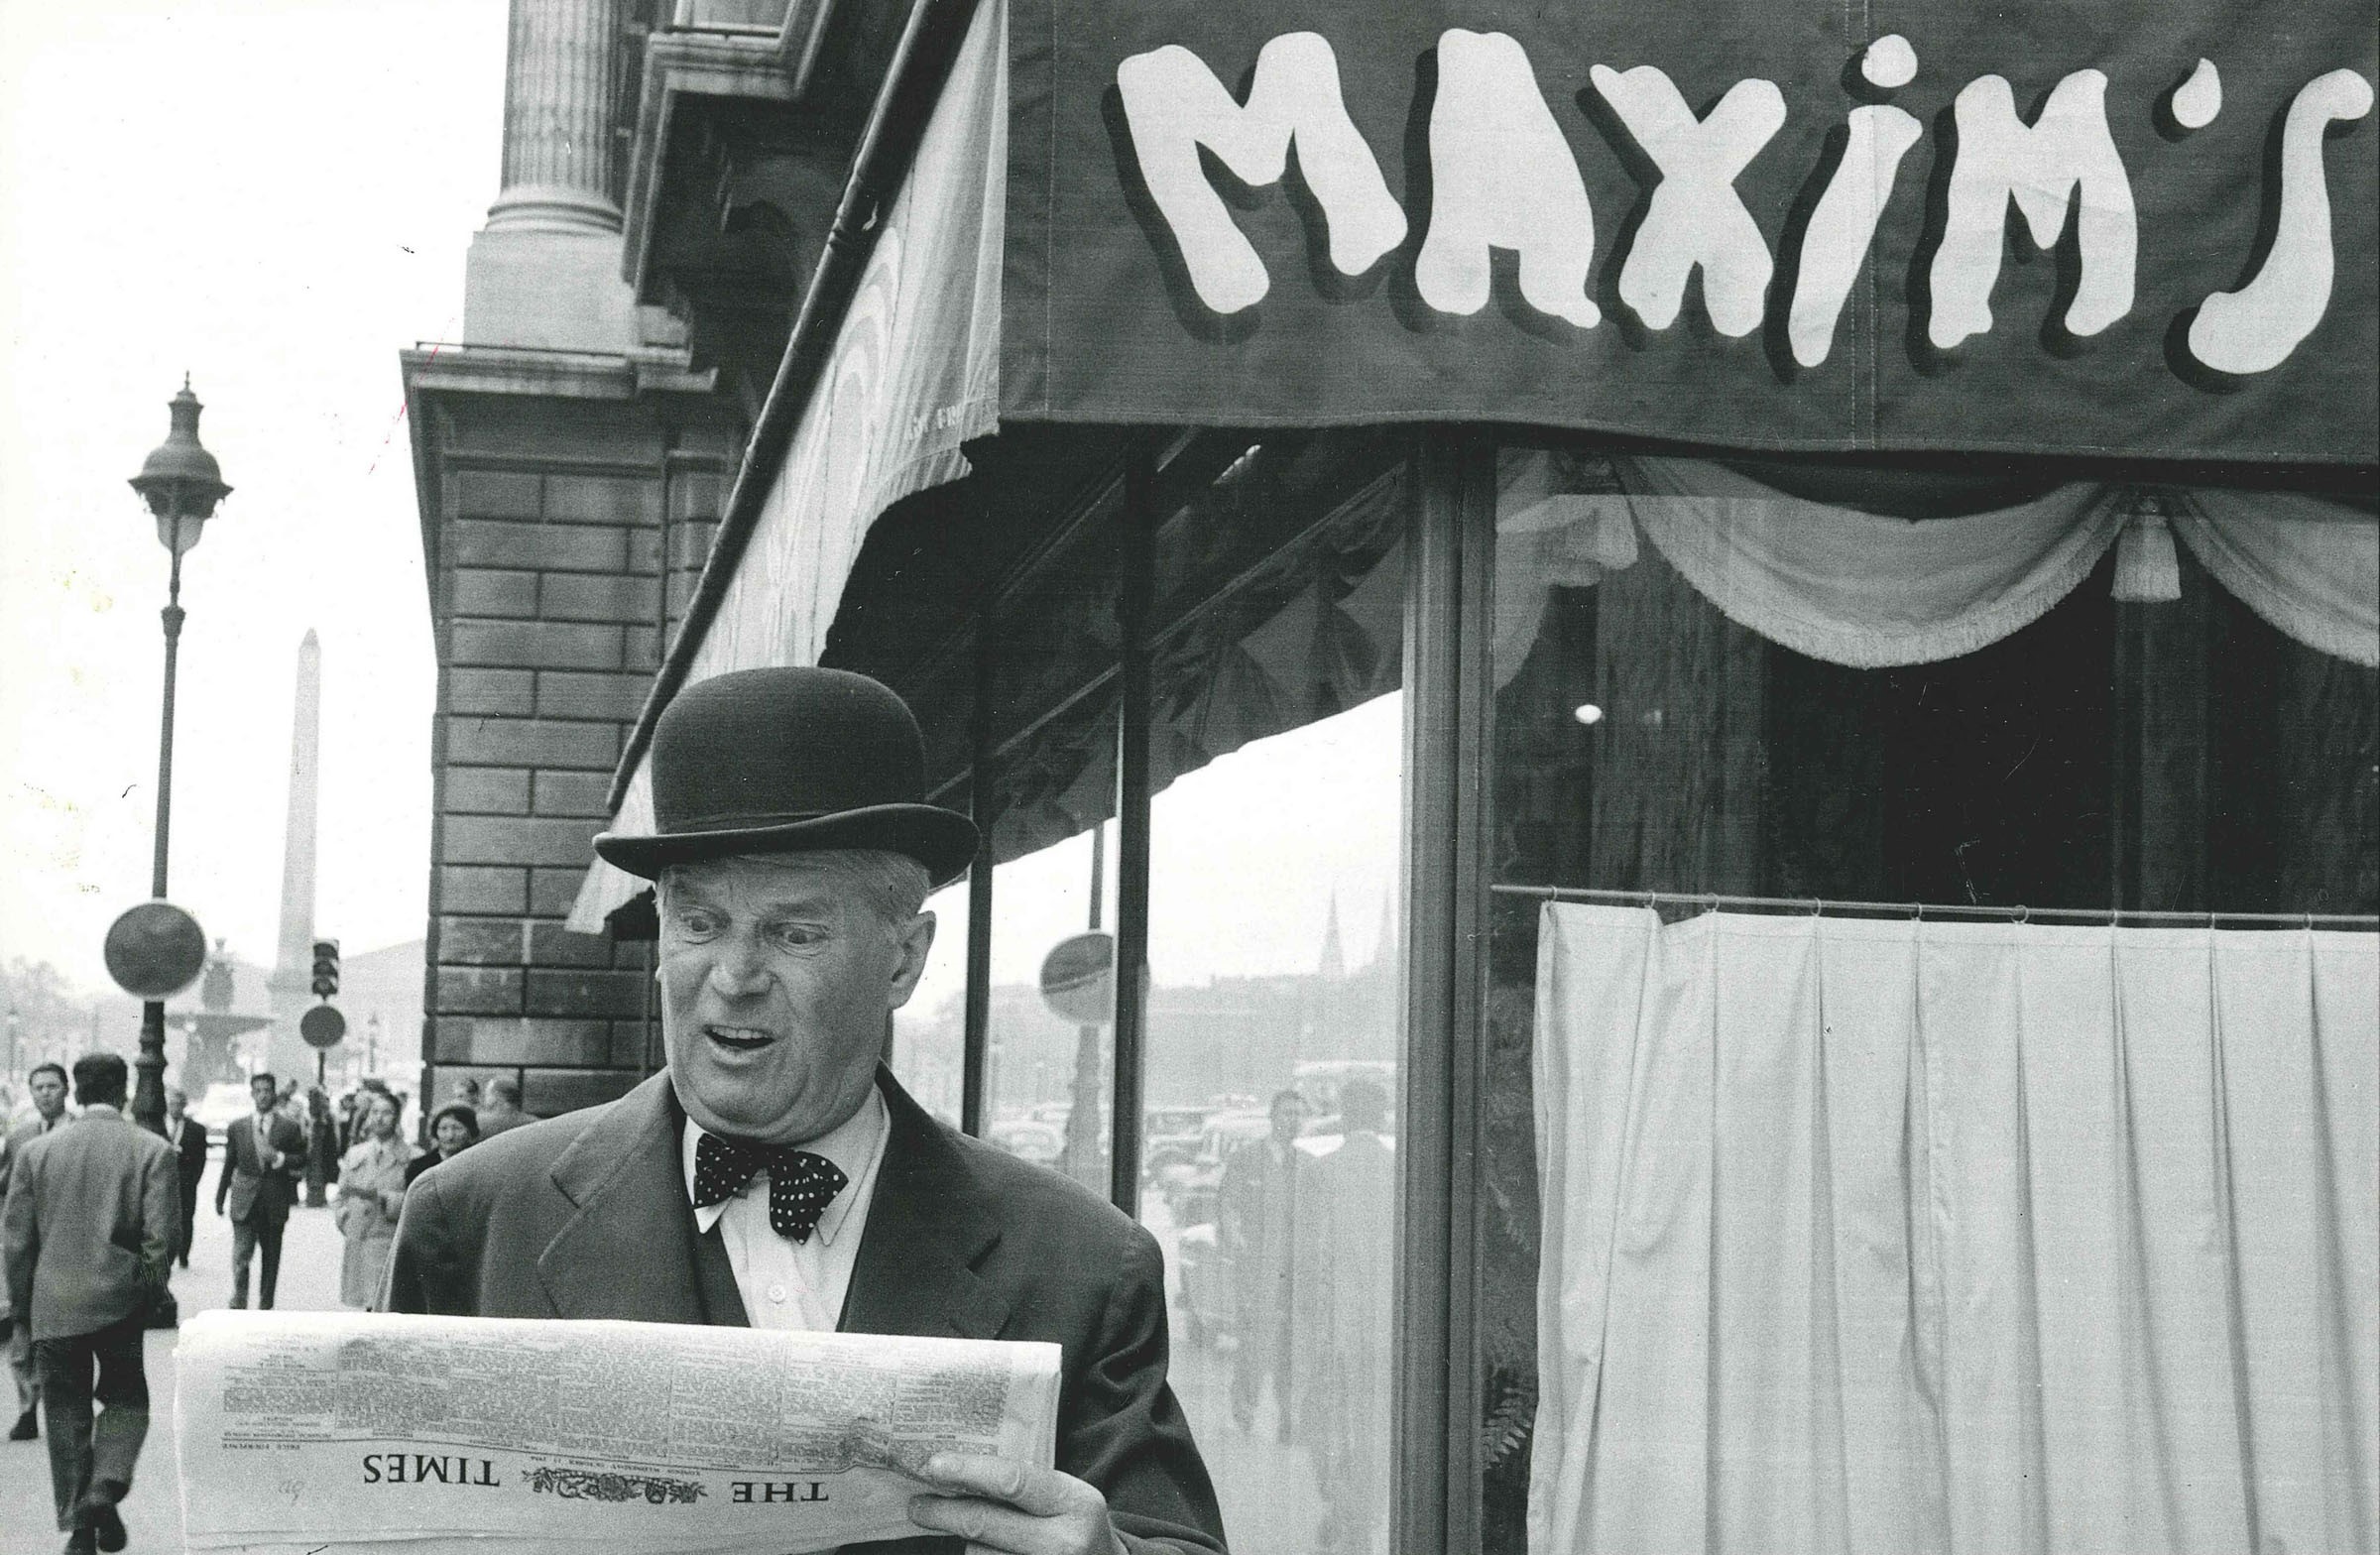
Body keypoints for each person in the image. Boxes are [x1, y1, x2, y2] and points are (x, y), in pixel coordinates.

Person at [387, 666, 1226, 1555]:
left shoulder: (1085, 1266)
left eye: (795, 933)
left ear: (903, 959)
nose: (735, 976)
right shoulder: (471, 1221)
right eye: (700, 923)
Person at [1, 1052, 178, 1554]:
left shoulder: (37, 1152)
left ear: (76, 1093)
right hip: (119, 1303)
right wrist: (146, 1293)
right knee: (125, 1398)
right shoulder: (153, 1150)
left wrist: (21, 1309)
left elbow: (16, 1243)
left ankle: (80, 1527)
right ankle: (106, 1486)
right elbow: (159, 1242)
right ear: (124, 1092)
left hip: (52, 1304)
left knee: (64, 1412)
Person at [1293, 1079, 1396, 1555]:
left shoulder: (1323, 1172)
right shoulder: (1397, 1169)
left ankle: (1339, 1498)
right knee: (1375, 1413)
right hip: (1384, 1322)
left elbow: (1312, 1254)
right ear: (1380, 1118)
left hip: (1336, 1320)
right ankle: (1368, 1503)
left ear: (1346, 1117)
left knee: (1327, 1411)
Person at [1217, 1087, 1310, 1439]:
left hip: (1296, 1274)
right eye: (1287, 1113)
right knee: (1254, 1342)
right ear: (1273, 1118)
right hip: (1256, 1271)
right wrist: (1236, 1243)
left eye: (1299, 1114)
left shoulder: (1308, 1165)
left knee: (1291, 1344)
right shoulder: (1247, 1159)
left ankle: (1288, 1416)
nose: (1294, 1120)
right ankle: (1245, 1409)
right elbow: (1227, 1205)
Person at [1, 1060, 73, 1442]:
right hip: (25, 1251)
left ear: (67, 1089)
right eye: (38, 1088)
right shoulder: (20, 1138)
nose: (45, 1093)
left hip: (65, 1248)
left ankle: (61, 1407)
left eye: (52, 1086)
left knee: (60, 1334)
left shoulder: (78, 1134)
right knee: (21, 1330)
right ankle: (27, 1408)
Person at [213, 1072, 307, 1309]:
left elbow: (302, 1159)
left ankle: (266, 1306)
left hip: (274, 1200)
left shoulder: (289, 1127)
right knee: (241, 1255)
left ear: (274, 1093)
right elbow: (229, 1163)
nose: (263, 1095)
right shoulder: (238, 1127)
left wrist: (280, 1158)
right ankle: (239, 1300)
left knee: (271, 1257)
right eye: (259, 1091)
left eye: (267, 1090)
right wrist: (220, 1196)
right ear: (252, 1094)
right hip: (244, 1200)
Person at [333, 1093, 409, 1309]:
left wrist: (383, 1198)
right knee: (364, 1303)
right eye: (375, 1112)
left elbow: (413, 1202)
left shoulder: (411, 1156)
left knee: (385, 1303)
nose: (379, 1118)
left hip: (387, 1236)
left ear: (397, 1117)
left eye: (387, 1112)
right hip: (359, 1237)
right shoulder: (356, 1154)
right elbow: (341, 1195)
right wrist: (343, 1218)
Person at [163, 1088, 209, 1270]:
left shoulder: (196, 1130)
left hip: (186, 1182)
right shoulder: (157, 1126)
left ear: (184, 1106)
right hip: (162, 1181)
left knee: (186, 1219)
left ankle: (183, 1254)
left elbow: (201, 1159)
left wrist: (193, 1179)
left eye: (178, 1104)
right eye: (172, 1104)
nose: (175, 1108)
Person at [406, 1104, 479, 1187]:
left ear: (470, 1132)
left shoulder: (479, 1166)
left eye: (457, 1128)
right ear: (435, 1132)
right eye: (443, 1128)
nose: (450, 1136)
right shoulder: (419, 1167)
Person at [473, 1075, 529, 1139]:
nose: (484, 1098)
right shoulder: (534, 1124)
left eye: (487, 1094)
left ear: (494, 1097)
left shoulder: (478, 1122)